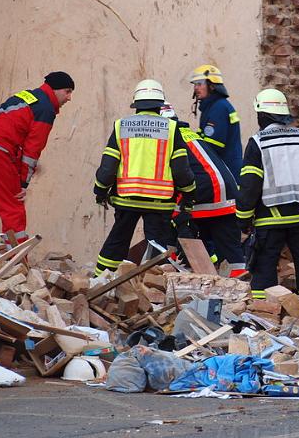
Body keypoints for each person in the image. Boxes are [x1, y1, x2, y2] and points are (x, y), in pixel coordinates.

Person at [93, 80, 196, 277]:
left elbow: (108, 167)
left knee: (117, 240)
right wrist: (189, 194)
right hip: (160, 203)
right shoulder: (172, 129)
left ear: (136, 103)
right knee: (156, 248)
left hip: (126, 198)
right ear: (160, 104)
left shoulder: (121, 126)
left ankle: (101, 281)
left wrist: (100, 190)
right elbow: (182, 170)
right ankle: (153, 289)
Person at [237, 89, 299, 299]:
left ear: (261, 115)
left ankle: (264, 312)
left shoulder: (258, 142)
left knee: (264, 264)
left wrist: (243, 219)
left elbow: (250, 186)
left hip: (270, 220)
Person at [0, 71, 74, 242]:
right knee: (13, 207)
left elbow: (13, 133)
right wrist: (22, 183)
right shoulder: (45, 109)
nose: (69, 98)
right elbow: (32, 151)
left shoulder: (28, 97)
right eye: (67, 91)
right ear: (55, 89)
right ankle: (17, 262)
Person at [160, 102, 248, 280]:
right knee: (228, 247)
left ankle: (172, 269)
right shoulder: (190, 134)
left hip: (204, 190)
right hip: (228, 191)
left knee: (169, 218)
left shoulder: (169, 138)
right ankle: (240, 285)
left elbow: (177, 175)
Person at [190, 64, 242, 181]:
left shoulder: (219, 108)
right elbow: (202, 138)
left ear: (212, 86)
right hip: (223, 173)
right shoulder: (211, 107)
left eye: (199, 84)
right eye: (195, 85)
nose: (195, 88)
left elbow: (211, 147)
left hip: (228, 174)